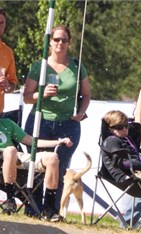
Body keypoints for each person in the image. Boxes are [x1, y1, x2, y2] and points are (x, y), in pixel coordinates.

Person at [0, 89, 72, 219]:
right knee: (10, 149)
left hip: (15, 159)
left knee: (52, 157)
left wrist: (58, 142)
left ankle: (49, 209)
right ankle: (10, 200)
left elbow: (30, 141)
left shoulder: (7, 123)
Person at [21, 24, 89, 212]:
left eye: (64, 40)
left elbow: (86, 94)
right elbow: (27, 97)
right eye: (56, 39)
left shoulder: (77, 66)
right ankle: (33, 209)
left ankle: (52, 210)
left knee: (60, 167)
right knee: (37, 166)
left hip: (67, 124)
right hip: (39, 122)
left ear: (69, 42)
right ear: (50, 42)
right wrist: (42, 94)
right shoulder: (40, 65)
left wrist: (81, 112)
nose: (60, 43)